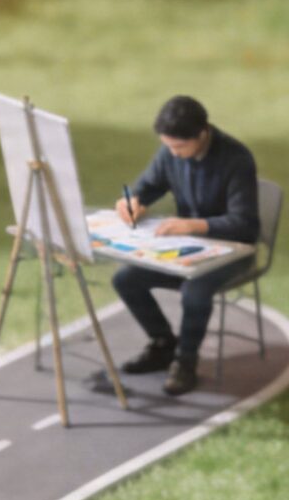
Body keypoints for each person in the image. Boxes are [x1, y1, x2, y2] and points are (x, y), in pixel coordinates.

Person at [110, 94, 262, 397]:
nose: (174, 154)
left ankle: (186, 360)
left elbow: (246, 225)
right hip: (186, 249)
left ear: (202, 133)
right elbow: (146, 186)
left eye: (180, 147)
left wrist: (195, 225)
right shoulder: (171, 153)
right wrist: (132, 201)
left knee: (195, 290)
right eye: (169, 147)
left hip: (232, 251)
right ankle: (163, 344)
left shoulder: (236, 159)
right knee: (125, 279)